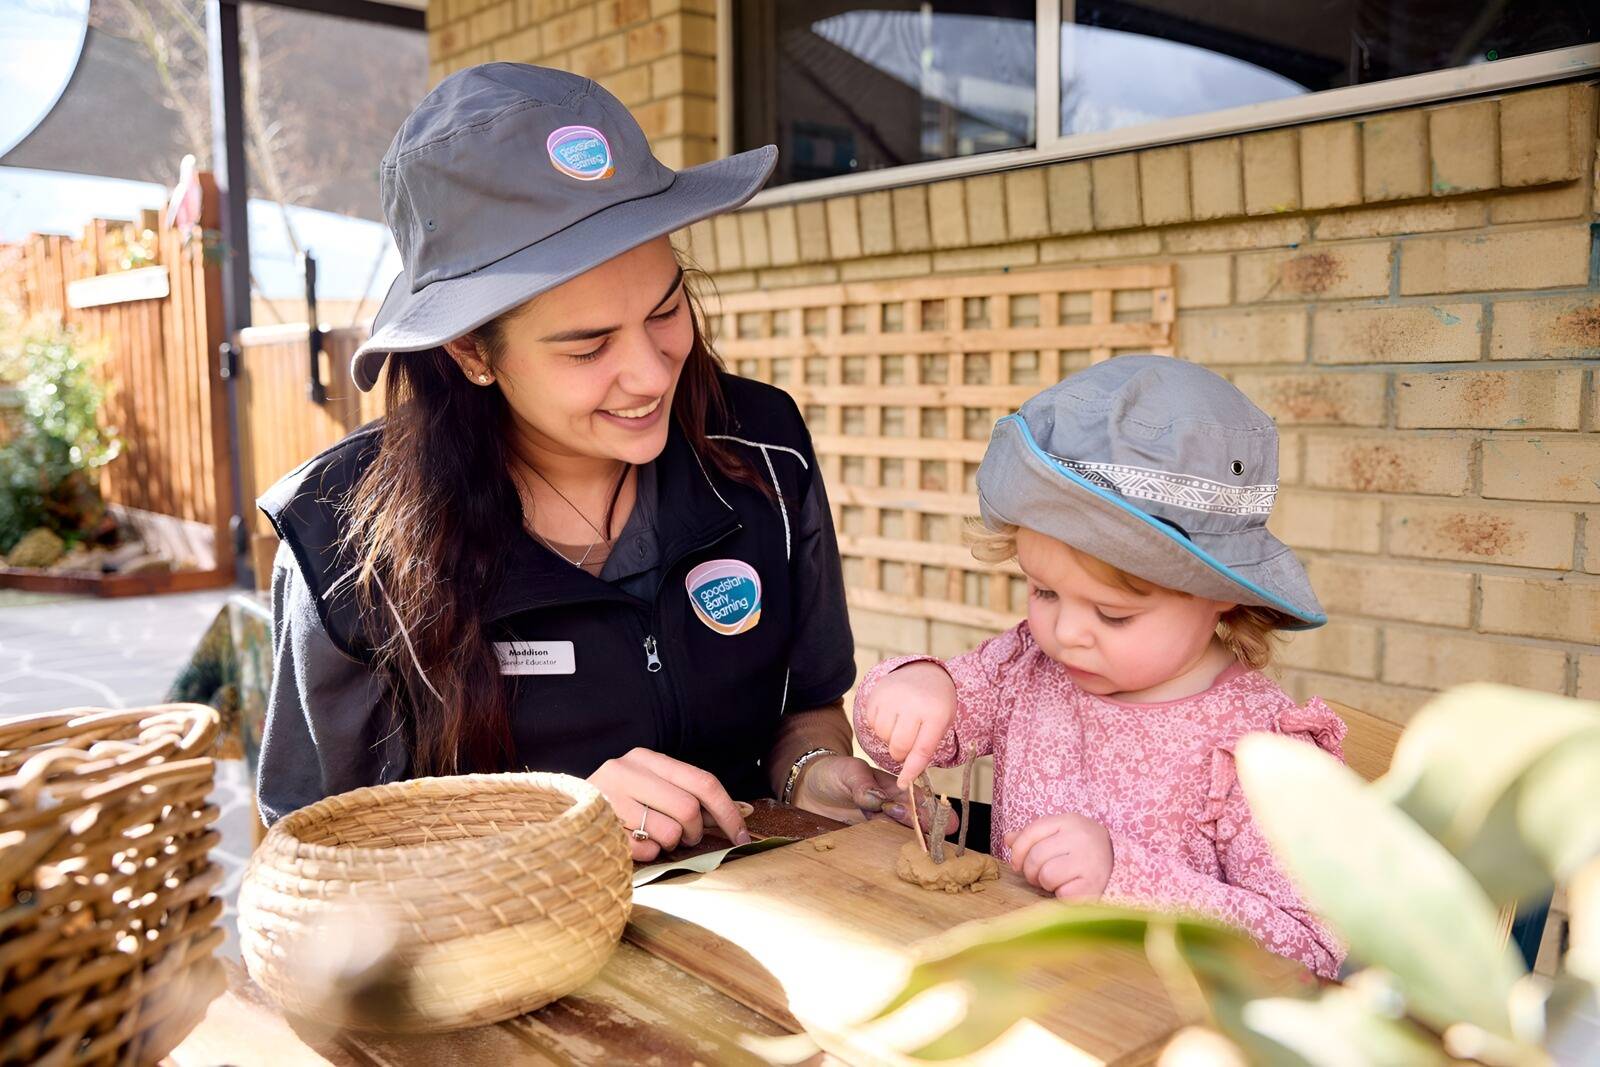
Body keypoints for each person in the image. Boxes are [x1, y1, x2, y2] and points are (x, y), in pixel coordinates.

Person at [258, 63, 912, 861]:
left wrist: (811, 771)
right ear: (471, 351)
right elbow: (314, 857)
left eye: (666, 309)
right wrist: (552, 823)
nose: (651, 372)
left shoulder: (763, 448)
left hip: (754, 949)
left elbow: (806, 706)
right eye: (588, 346)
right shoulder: (340, 541)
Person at [853, 355, 1346, 977]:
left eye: (1113, 615)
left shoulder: (1265, 753)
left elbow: (1314, 951)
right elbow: (911, 746)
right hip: (1021, 993)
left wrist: (1126, 880)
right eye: (1043, 592)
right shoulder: (1024, 667)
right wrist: (914, 688)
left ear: (1223, 592)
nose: (1065, 634)